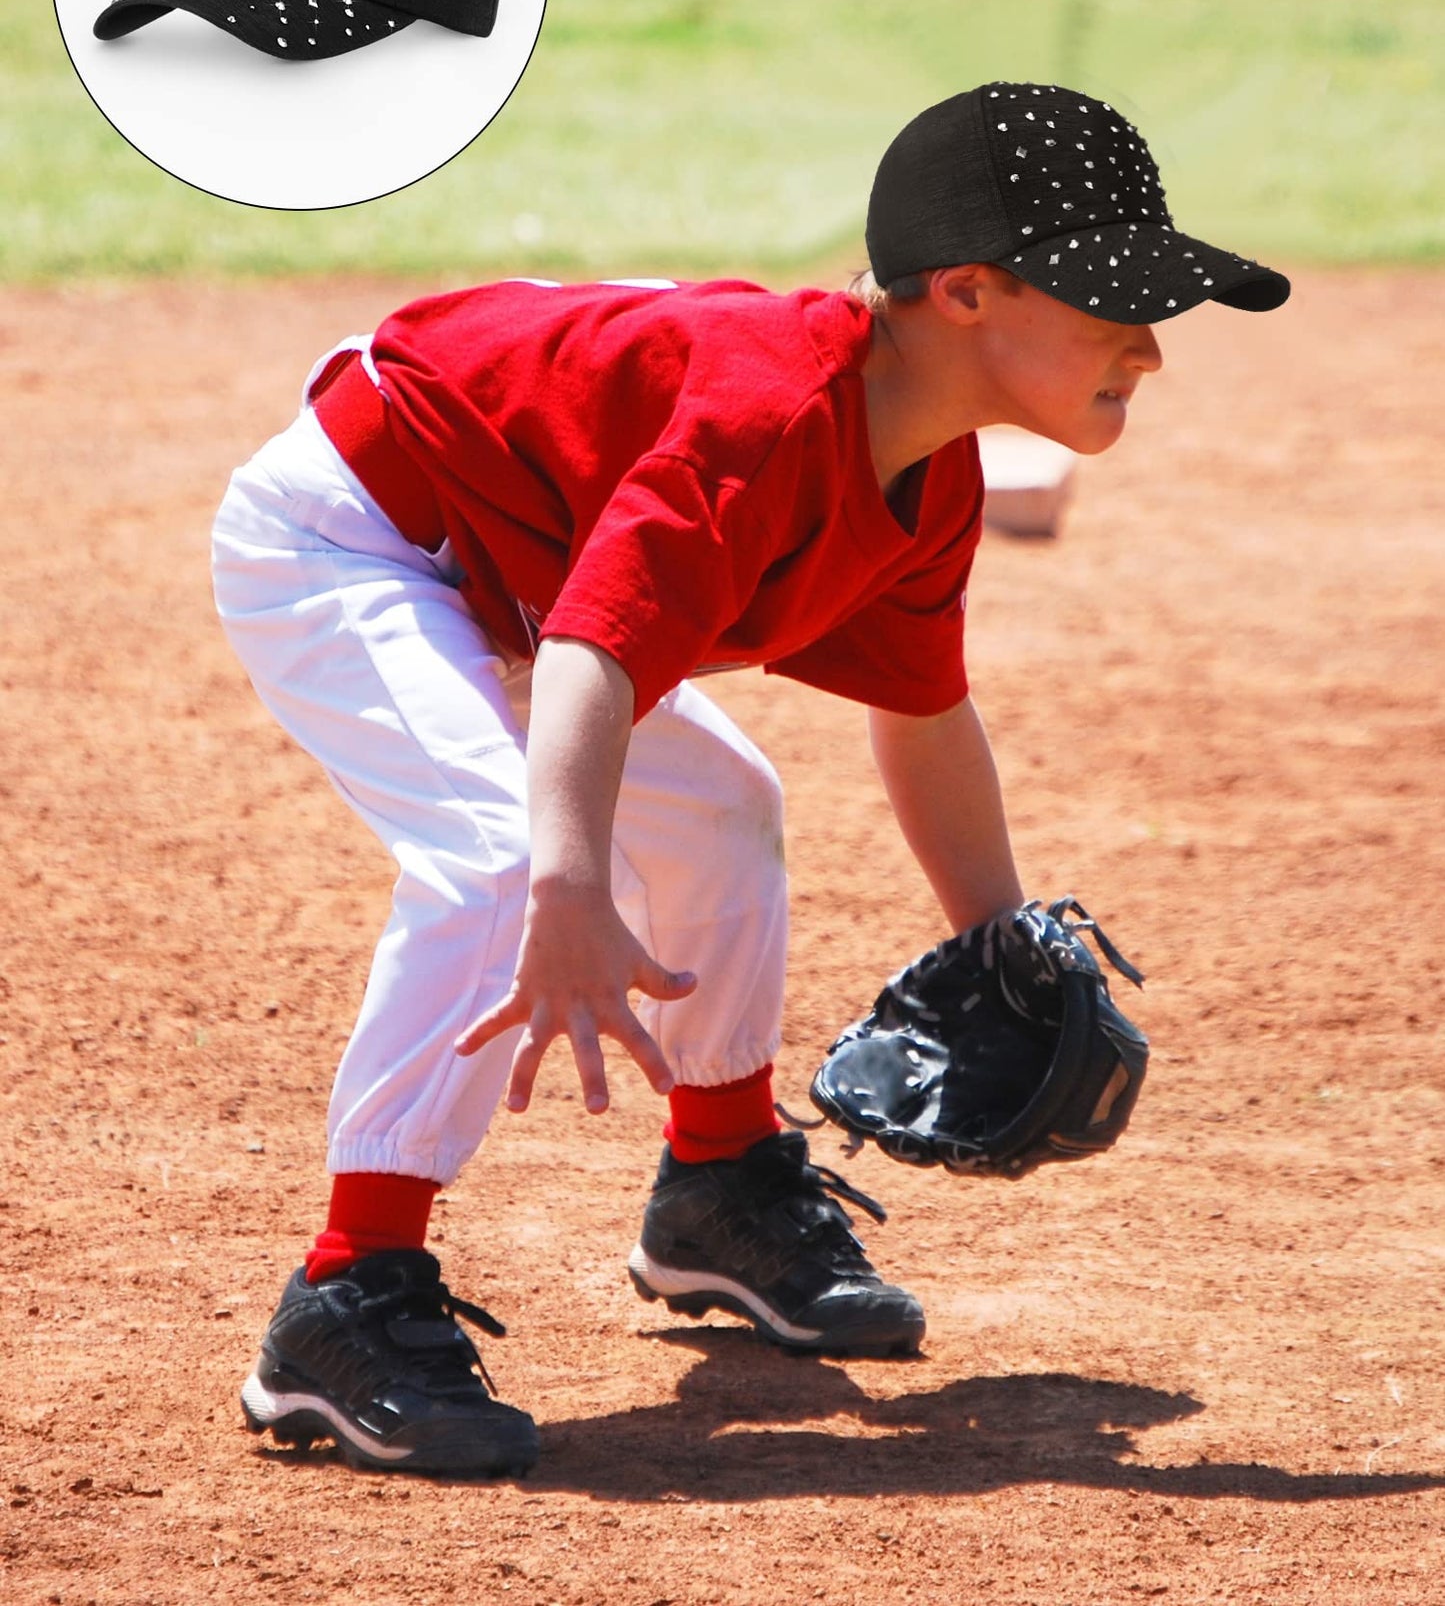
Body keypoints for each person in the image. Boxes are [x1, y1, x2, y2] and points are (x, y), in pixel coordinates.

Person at [210, 82, 1289, 1477]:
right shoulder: (771, 413)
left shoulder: (931, 476)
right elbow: (598, 653)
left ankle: (716, 1186)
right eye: (1103, 301)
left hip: (523, 564)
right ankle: (343, 1295)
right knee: (500, 860)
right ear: (961, 292)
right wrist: (573, 884)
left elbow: (923, 713)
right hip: (357, 535)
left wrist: (997, 937)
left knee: (724, 809)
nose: (1145, 345)